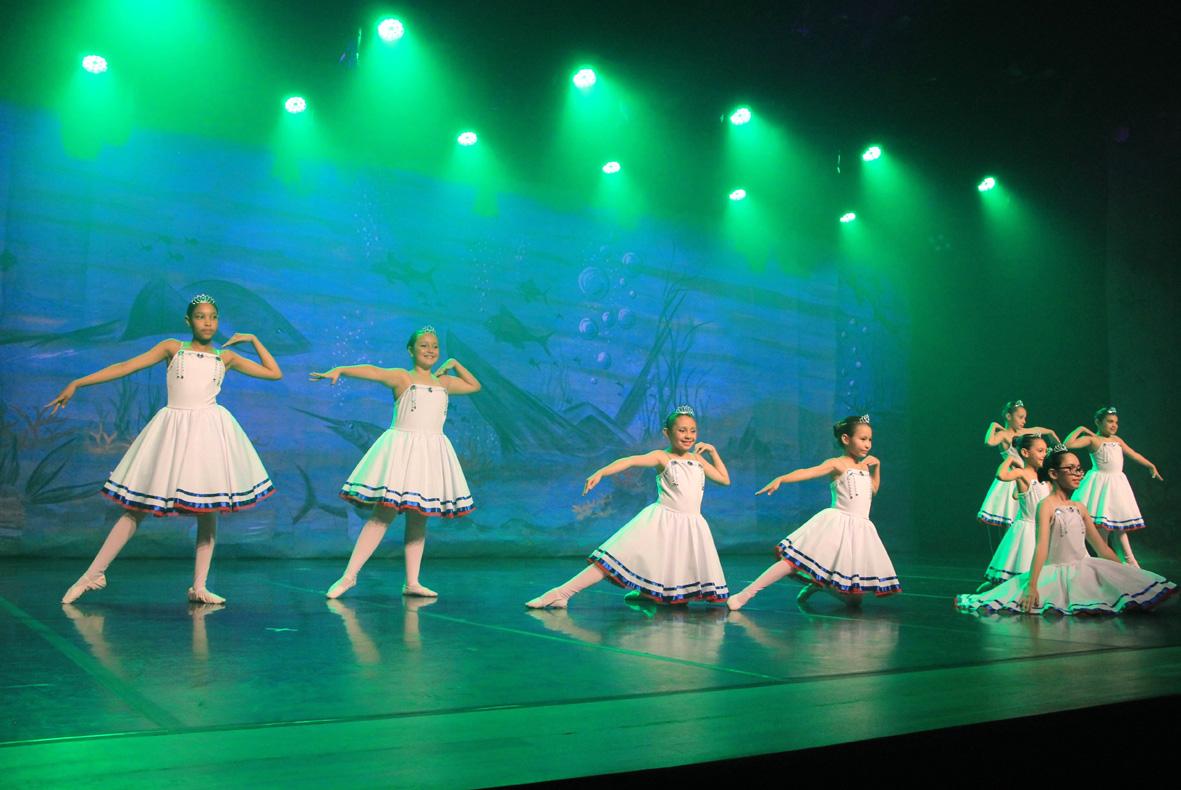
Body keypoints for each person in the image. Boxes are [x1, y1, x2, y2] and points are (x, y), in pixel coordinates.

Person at [50, 294, 282, 604]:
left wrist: (253, 339)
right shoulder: (172, 348)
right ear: (189, 321)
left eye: (213, 316)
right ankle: (93, 573)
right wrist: (78, 382)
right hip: (172, 430)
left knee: (208, 511)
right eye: (201, 316)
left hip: (209, 433)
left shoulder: (224, 357)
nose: (208, 322)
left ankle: (199, 586)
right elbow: (125, 365)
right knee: (137, 507)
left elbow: (273, 372)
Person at [312, 326, 479, 599]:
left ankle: (412, 582)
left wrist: (455, 363)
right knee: (383, 515)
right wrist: (341, 369)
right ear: (411, 350)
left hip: (430, 453)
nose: (430, 350)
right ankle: (349, 576)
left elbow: (474, 386)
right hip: (403, 450)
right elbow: (373, 371)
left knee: (419, 518)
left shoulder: (444, 383)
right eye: (423, 345)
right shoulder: (403, 378)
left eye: (434, 346)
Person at [525, 405, 730, 608]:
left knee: (675, 565)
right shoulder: (662, 457)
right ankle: (561, 593)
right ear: (667, 433)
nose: (688, 436)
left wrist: (712, 452)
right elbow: (631, 461)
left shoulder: (698, 460)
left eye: (692, 431)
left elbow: (724, 479)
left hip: (690, 524)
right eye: (682, 430)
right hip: (663, 520)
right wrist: (602, 472)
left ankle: (648, 593)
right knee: (616, 557)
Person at [956, 446, 1175, 614]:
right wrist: (1032, 585)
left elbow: (1102, 548)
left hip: (1084, 566)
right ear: (1053, 473)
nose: (1078, 473)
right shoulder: (1046, 506)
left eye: (1079, 468)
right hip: (1056, 571)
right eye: (1070, 469)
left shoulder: (1080, 507)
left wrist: (1126, 575)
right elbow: (1041, 547)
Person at [727, 415, 900, 610]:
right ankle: (745, 594)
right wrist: (782, 479)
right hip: (837, 523)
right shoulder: (837, 464)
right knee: (792, 562)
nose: (867, 444)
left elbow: (872, 490)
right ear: (845, 439)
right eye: (862, 439)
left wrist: (876, 469)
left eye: (869, 439)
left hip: (859, 529)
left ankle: (818, 586)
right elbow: (807, 471)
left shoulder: (864, 467)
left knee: (855, 600)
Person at [1065, 406, 1162, 567]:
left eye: (1116, 422)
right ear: (1098, 422)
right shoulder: (1093, 440)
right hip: (1100, 486)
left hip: (1117, 485)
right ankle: (1104, 562)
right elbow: (1068, 444)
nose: (1114, 425)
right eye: (1110, 421)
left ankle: (1129, 561)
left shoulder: (1117, 440)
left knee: (1119, 527)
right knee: (1103, 528)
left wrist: (1150, 465)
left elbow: (1133, 454)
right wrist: (1080, 429)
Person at [976, 433, 1050, 590]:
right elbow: (1001, 475)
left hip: (1042, 529)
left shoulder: (1044, 476)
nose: (1044, 454)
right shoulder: (1022, 473)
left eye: (1045, 451)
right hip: (1027, 529)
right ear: (1025, 453)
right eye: (1040, 450)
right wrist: (1010, 459)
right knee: (1020, 571)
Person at [977, 400, 1058, 528]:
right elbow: (989, 442)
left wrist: (1052, 435)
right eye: (1020, 417)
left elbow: (1041, 429)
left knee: (1032, 515)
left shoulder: (1023, 433)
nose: (1024, 421)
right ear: (1009, 417)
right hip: (1011, 478)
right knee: (1012, 518)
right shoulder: (1003, 434)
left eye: (1025, 418)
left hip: (1028, 476)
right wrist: (993, 426)